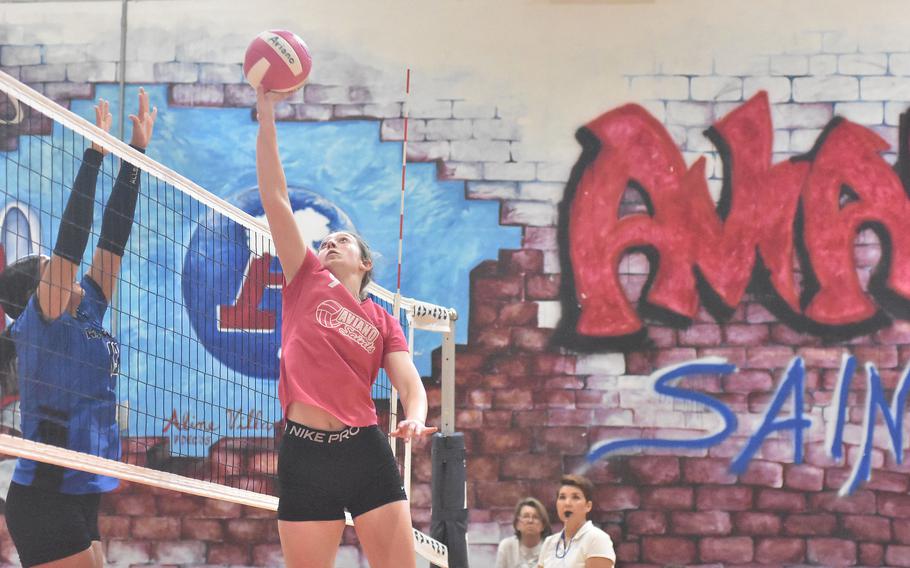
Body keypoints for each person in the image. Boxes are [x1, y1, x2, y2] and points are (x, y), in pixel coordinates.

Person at [255, 86, 438, 568]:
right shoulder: (305, 279)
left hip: (363, 451)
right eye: (326, 241)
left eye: (342, 241)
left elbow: (409, 384)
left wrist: (415, 416)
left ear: (364, 263)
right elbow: (274, 196)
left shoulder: (382, 320)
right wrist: (267, 115)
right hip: (304, 454)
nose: (330, 245)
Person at [1, 90, 156, 568]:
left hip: (82, 483)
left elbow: (113, 239)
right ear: (38, 290)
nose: (67, 271)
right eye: (54, 270)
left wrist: (134, 157)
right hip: (45, 490)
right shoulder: (41, 322)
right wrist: (93, 155)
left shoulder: (87, 309)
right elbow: (74, 236)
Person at [538, 474, 616, 568]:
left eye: (575, 497)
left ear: (588, 506)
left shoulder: (597, 538)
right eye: (562, 497)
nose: (567, 503)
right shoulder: (549, 542)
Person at [497, 496, 552, 568]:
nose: (530, 521)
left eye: (535, 517)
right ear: (517, 524)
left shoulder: (551, 549)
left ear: (543, 525)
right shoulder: (507, 547)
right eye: (526, 516)